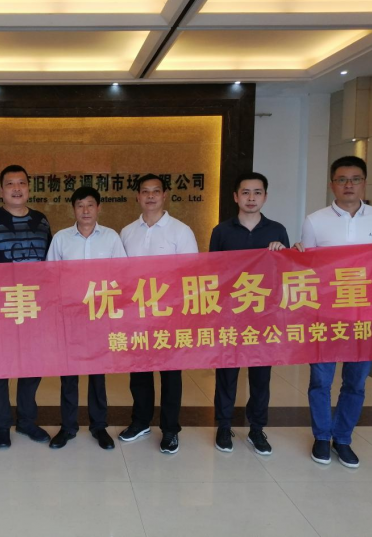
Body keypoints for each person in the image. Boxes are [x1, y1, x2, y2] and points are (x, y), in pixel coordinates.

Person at [294, 155, 372, 468]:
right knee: (320, 381)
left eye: (355, 179)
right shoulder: (315, 220)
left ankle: (343, 438)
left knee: (356, 383)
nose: (349, 185)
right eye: (342, 179)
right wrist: (295, 253)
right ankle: (322, 437)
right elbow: (306, 267)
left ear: (364, 183)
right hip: (325, 316)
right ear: (332, 184)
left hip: (366, 316)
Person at [208, 172, 290, 456]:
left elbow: (286, 274)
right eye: (245, 192)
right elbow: (212, 274)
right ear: (235, 197)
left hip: (264, 317)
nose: (251, 198)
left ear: (265, 196)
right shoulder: (221, 231)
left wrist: (282, 253)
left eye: (257, 192)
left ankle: (257, 428)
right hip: (230, 315)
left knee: (260, 376)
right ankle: (224, 426)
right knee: (226, 373)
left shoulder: (277, 230)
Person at [119, 173, 198, 454]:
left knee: (170, 375)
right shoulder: (127, 232)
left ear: (165, 195)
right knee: (139, 373)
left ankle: (170, 429)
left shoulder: (181, 231)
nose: (150, 196)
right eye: (145, 191)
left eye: (155, 191)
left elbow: (191, 274)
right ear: (138, 196)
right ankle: (140, 422)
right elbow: (119, 275)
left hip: (169, 315)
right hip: (136, 314)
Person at [0, 164, 52, 449]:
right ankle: (1, 425)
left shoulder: (42, 221)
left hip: (33, 307)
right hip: (1, 309)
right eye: (10, 184)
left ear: (29, 188)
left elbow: (50, 266)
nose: (16, 188)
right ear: (1, 190)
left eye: (21, 183)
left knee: (32, 367)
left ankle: (27, 422)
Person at [46, 186, 126, 450]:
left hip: (100, 314)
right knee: (69, 374)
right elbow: (50, 276)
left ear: (99, 208)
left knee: (97, 374)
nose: (86, 210)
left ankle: (99, 426)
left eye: (90, 204)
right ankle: (68, 427)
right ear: (73, 209)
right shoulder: (61, 239)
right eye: (80, 205)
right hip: (69, 316)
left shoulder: (111, 238)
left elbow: (123, 274)